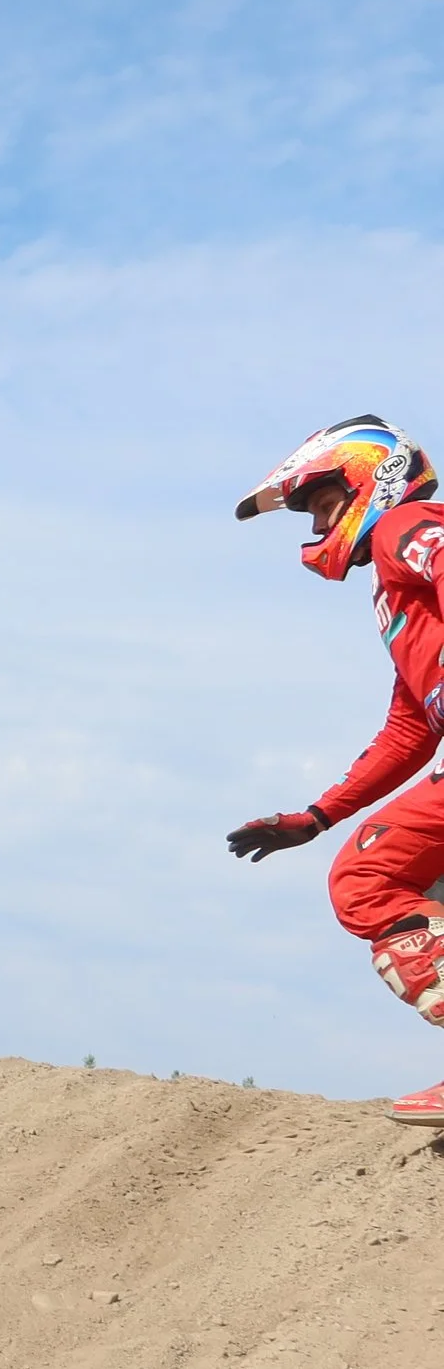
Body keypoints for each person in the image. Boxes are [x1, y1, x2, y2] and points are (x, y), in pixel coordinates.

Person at [228, 416, 444, 1126]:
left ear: (368, 476)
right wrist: (317, 816)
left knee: (367, 878)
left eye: (324, 504)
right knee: (406, 883)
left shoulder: (405, 525)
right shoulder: (393, 596)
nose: (321, 523)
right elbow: (409, 730)